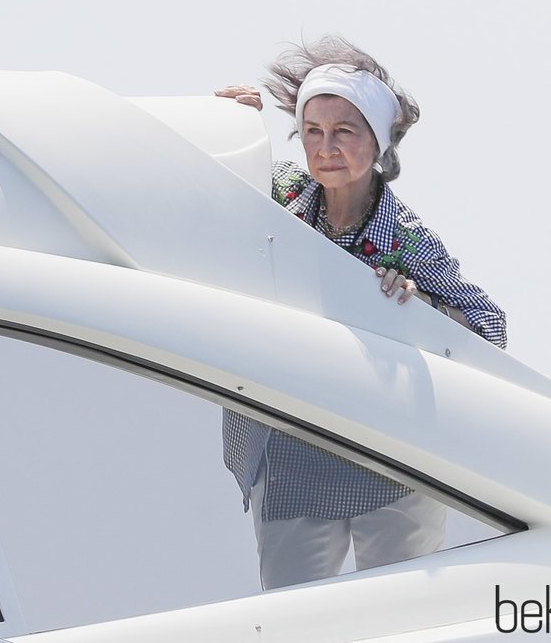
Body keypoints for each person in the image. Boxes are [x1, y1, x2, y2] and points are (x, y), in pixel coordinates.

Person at [216, 35, 507, 590]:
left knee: (402, 616)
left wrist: (422, 305)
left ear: (378, 145)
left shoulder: (405, 237)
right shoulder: (279, 195)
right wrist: (231, 125)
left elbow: (489, 329)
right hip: (296, 447)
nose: (326, 148)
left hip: (391, 460)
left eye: (344, 132)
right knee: (290, 619)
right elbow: (209, 191)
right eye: (313, 133)